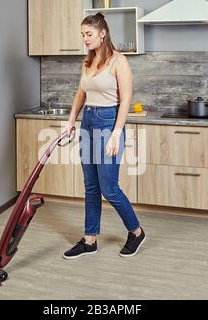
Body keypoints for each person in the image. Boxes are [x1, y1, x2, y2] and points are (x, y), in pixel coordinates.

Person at [61, 13, 146, 260]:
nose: (85, 39)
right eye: (82, 35)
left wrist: (115, 133)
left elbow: (126, 99)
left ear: (102, 33)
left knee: (109, 187)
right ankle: (89, 240)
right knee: (90, 186)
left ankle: (136, 231)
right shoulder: (87, 62)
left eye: (88, 34)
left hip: (109, 122)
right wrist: (70, 122)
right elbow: (80, 94)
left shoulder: (119, 61)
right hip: (88, 121)